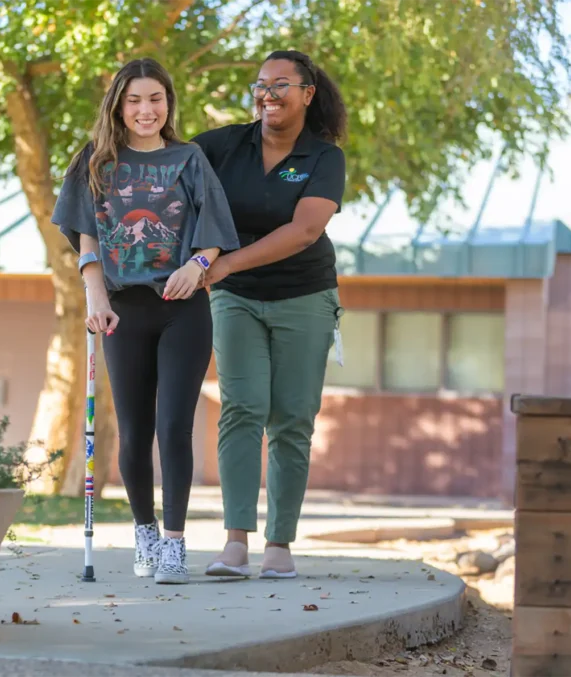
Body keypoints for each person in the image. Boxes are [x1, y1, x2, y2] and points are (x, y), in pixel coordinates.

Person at [52, 58, 240, 585]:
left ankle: (176, 546)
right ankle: (145, 532)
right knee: (135, 432)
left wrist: (197, 265)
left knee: (173, 427)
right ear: (118, 104)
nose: (145, 110)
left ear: (168, 103)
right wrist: (95, 297)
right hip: (121, 309)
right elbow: (87, 239)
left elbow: (213, 234)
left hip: (184, 309)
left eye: (155, 98)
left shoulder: (189, 158)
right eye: (134, 100)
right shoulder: (96, 161)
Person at [192, 50, 348, 579]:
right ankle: (236, 542)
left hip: (304, 296)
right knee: (242, 408)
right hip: (234, 296)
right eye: (261, 84)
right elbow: (167, 172)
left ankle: (279, 544)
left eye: (281, 84)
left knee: (292, 419)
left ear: (307, 93)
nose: (268, 93)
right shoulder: (222, 145)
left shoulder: (323, 158)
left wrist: (224, 262)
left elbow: (305, 230)